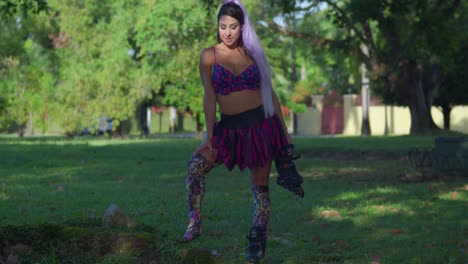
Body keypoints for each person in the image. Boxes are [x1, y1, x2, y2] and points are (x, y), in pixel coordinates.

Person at [181, 0, 304, 262]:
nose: (227, 32)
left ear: (242, 27)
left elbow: (270, 94)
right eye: (222, 26)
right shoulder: (209, 56)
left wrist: (284, 133)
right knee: (195, 167)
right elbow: (209, 97)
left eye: (233, 27)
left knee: (260, 187)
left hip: (261, 128)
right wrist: (210, 136)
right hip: (229, 129)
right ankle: (195, 221)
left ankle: (257, 242)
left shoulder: (253, 55)